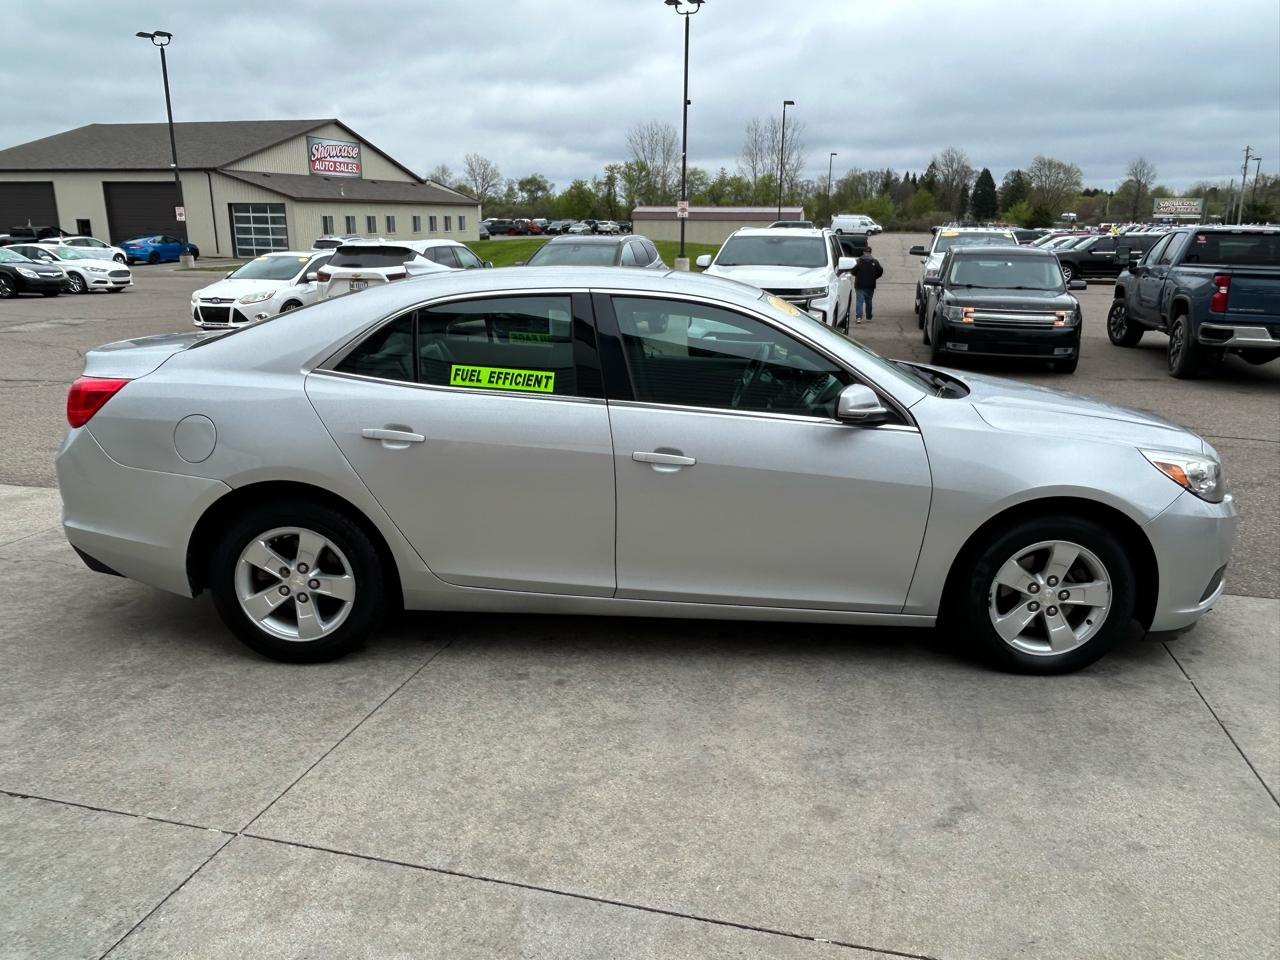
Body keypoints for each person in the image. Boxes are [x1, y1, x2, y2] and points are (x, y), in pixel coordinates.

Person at [851, 243, 884, 324]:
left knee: (859, 301)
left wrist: (857, 275)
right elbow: (880, 271)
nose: (867, 253)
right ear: (870, 253)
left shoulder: (858, 261)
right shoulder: (875, 262)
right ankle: (869, 316)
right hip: (870, 285)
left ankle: (859, 317)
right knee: (869, 301)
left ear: (863, 252)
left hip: (859, 284)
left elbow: (853, 271)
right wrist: (874, 277)